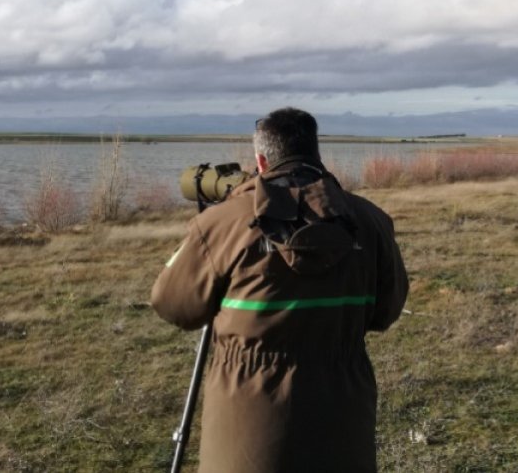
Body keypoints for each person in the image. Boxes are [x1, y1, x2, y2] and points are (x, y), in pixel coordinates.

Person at [151, 107, 409, 473]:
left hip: (246, 426)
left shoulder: (222, 225)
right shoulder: (371, 221)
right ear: (316, 153)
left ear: (260, 159)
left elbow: (174, 306)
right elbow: (386, 312)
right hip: (342, 418)